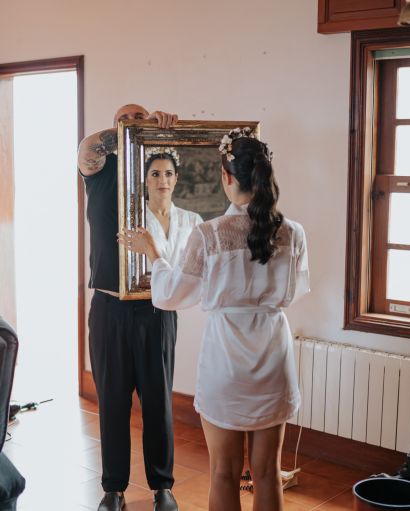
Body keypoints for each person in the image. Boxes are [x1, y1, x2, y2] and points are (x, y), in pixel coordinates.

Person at [120, 127, 310, 511]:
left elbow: (171, 295)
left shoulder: (209, 234)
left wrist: (154, 253)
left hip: (226, 361)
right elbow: (294, 292)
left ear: (226, 176)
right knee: (268, 473)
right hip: (273, 356)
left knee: (224, 472)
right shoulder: (292, 233)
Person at [77, 104, 180, 511]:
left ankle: (162, 488)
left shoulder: (159, 174)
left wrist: (162, 133)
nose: (135, 122)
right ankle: (113, 489)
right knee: (113, 402)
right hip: (109, 308)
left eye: (140, 117)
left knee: (158, 402)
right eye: (128, 118)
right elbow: (88, 147)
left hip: (157, 308)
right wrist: (130, 129)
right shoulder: (100, 169)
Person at [143, 146, 202, 267]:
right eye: (155, 174)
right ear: (146, 179)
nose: (163, 180)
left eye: (169, 174)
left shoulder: (193, 221)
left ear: (176, 178)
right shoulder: (134, 221)